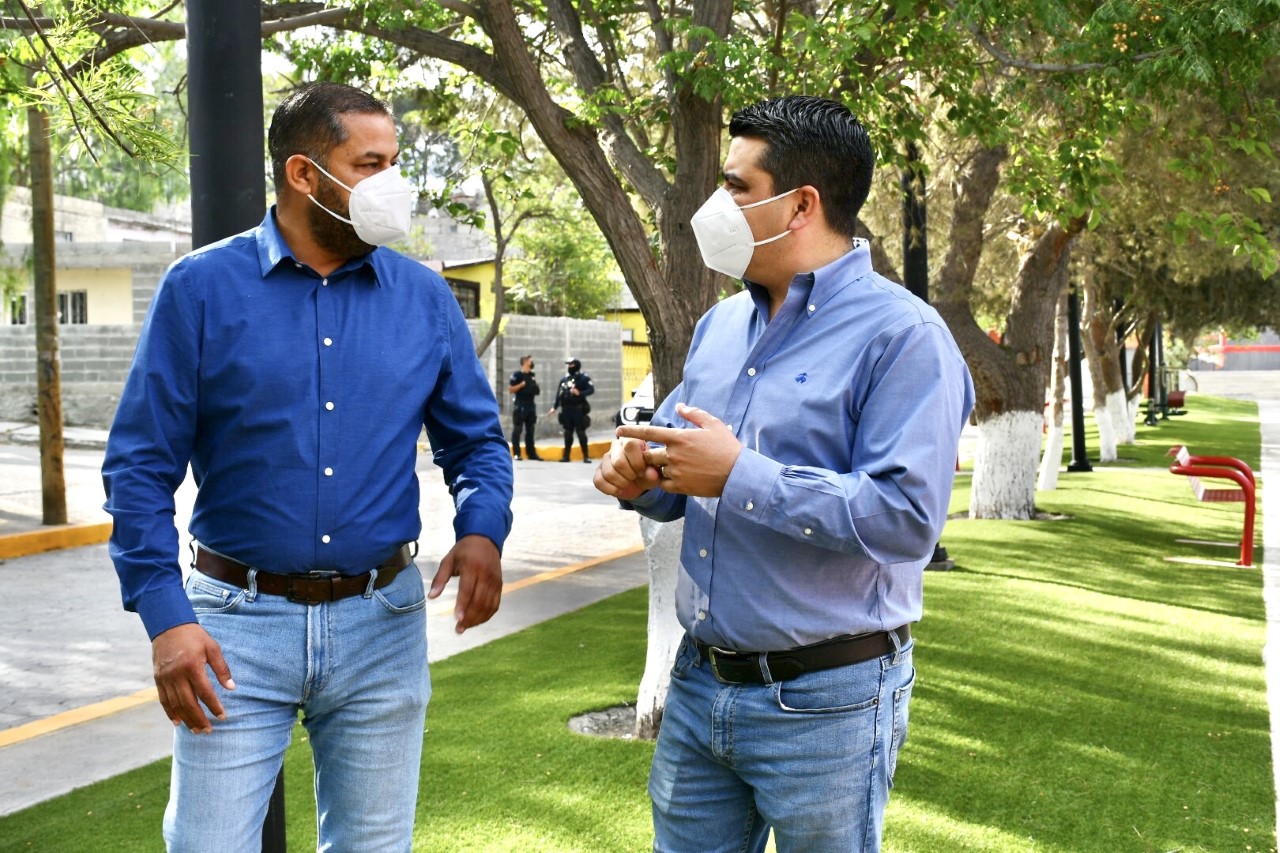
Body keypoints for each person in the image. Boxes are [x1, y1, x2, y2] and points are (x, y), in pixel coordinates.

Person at [102, 82, 514, 852]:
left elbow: (477, 443)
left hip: (382, 625)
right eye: (370, 164)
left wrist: (482, 530)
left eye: (395, 162)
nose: (393, 183)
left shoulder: (425, 299)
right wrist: (166, 617)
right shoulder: (199, 289)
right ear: (303, 174)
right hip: (232, 628)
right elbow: (138, 467)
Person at [593, 95, 974, 852]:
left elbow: (907, 518)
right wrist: (643, 475)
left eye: (736, 186)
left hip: (828, 701)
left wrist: (739, 475)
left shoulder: (904, 336)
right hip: (700, 682)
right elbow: (681, 462)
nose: (715, 204)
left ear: (801, 204)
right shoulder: (719, 326)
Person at [549, 356, 595, 462]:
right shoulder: (564, 380)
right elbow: (559, 395)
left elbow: (591, 389)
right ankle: (566, 456)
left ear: (577, 365)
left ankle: (586, 456)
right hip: (566, 410)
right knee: (568, 433)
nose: (569, 366)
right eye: (568, 365)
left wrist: (580, 393)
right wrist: (554, 407)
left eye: (571, 364)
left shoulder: (583, 378)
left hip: (578, 410)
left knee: (581, 433)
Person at [508, 354, 543, 460]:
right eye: (530, 361)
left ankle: (531, 453)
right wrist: (521, 385)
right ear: (524, 362)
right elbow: (510, 390)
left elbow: (537, 390)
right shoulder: (517, 375)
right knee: (518, 429)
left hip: (530, 406)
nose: (531, 363)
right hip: (520, 406)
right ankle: (517, 453)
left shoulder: (532, 376)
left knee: (530, 430)